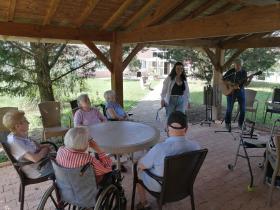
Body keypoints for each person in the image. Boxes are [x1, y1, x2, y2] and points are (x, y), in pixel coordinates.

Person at [135, 111, 200, 210]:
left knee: (136, 169)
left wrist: (141, 159)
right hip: (184, 185)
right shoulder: (196, 147)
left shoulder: (160, 148)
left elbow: (142, 165)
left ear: (167, 128)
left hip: (161, 186)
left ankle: (144, 204)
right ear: (186, 129)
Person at [2, 110, 53, 179]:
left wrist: (43, 146)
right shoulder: (15, 142)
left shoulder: (20, 135)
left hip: (41, 164)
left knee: (64, 159)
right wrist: (45, 149)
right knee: (66, 165)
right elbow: (35, 159)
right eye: (25, 121)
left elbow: (34, 146)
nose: (28, 122)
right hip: (37, 170)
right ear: (17, 126)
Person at [223, 58, 253, 130]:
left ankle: (240, 124)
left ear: (241, 65)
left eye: (239, 65)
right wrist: (231, 84)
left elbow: (245, 84)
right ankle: (227, 123)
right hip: (231, 92)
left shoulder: (244, 72)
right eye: (236, 65)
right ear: (234, 65)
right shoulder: (231, 71)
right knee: (229, 109)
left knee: (243, 109)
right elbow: (223, 80)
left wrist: (250, 79)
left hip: (241, 91)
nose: (238, 67)